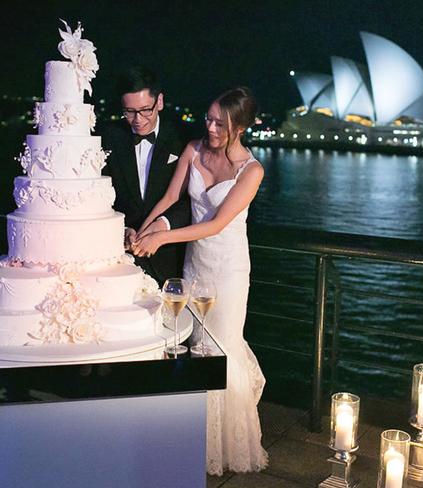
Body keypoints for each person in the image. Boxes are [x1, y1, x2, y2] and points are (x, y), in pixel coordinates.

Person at [132, 87, 268, 475]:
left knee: (221, 350)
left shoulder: (252, 171)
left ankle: (225, 448)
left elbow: (214, 224)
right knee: (194, 346)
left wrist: (162, 238)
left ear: (238, 127)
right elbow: (171, 197)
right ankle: (193, 440)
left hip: (227, 272)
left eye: (218, 123)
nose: (208, 127)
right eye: (207, 118)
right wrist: (143, 232)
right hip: (195, 266)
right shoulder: (193, 149)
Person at [100, 65, 190, 284]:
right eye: (129, 112)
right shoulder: (108, 137)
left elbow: (193, 198)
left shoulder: (183, 137)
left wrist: (163, 224)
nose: (138, 119)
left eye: (145, 110)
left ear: (159, 101)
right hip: (121, 257)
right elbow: (98, 195)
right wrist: (121, 227)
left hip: (171, 258)